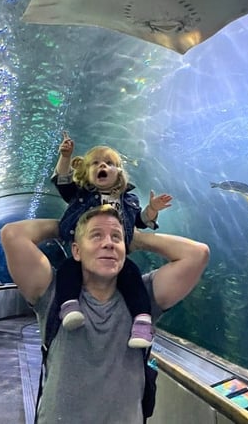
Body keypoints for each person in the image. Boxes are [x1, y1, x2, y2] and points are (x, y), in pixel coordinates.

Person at [1, 204, 209, 423]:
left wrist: (137, 239)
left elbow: (198, 254)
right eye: (96, 236)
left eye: (116, 238)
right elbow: (13, 235)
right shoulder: (53, 294)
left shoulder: (144, 297)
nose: (108, 243)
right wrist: (66, 226)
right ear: (77, 251)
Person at [27, 131, 176, 348]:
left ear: (119, 172)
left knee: (132, 276)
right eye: (95, 163)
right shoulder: (81, 194)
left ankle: (142, 322)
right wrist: (66, 157)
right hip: (85, 253)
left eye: (109, 163)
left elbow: (141, 222)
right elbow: (63, 181)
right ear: (86, 172)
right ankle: (69, 307)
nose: (102, 166)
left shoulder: (129, 200)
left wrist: (152, 209)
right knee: (69, 270)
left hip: (114, 254)